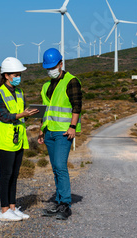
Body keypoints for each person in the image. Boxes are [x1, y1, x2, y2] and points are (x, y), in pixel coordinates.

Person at [38, 48, 82, 220]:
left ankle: (65, 204)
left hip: (64, 132)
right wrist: (41, 130)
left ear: (61, 64)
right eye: (48, 68)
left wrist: (73, 126)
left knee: (60, 166)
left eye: (53, 66)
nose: (50, 70)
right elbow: (45, 110)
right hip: (49, 132)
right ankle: (58, 202)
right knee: (56, 168)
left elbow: (77, 105)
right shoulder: (46, 86)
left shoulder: (71, 81)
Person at [0, 57, 39, 222]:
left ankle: (12, 207)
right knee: (5, 175)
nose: (18, 77)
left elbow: (22, 115)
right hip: (5, 141)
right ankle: (4, 210)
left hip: (18, 139)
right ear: (6, 75)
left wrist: (29, 114)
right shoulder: (0, 94)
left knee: (14, 175)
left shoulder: (20, 92)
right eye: (15, 74)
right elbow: (4, 116)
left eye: (19, 74)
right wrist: (23, 114)